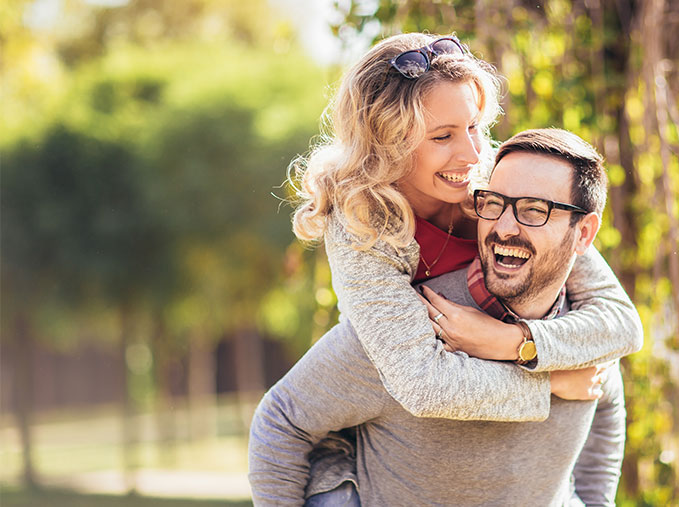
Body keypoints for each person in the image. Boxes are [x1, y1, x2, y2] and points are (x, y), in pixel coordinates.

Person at [250, 128, 627, 505]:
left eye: (534, 211)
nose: (505, 228)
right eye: (494, 203)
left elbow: (606, 404)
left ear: (584, 234)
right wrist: (546, 384)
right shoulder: (408, 330)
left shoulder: (586, 334)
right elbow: (280, 423)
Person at [290, 31, 641, 419]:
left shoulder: (498, 178)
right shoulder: (360, 224)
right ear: (386, 144)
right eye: (443, 136)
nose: (473, 154)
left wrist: (515, 343)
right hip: (381, 433)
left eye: (473, 127)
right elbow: (424, 385)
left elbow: (621, 324)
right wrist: (551, 384)